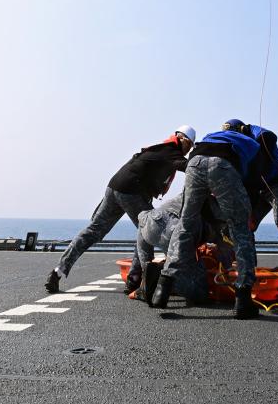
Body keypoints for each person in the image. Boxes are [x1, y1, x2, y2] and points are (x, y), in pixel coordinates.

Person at [45, 125, 196, 294]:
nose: (189, 150)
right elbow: (192, 167)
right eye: (190, 146)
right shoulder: (171, 151)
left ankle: (58, 271)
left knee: (94, 230)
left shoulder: (159, 149)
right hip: (132, 191)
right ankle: (136, 280)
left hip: (115, 186)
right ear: (182, 139)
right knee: (148, 228)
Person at [151, 126, 263, 319]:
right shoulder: (251, 143)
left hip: (194, 163)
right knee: (240, 229)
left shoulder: (213, 135)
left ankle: (163, 287)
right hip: (222, 165)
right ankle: (243, 298)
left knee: (186, 224)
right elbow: (249, 180)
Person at [221, 119, 278, 300]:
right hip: (258, 189)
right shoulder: (235, 147)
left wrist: (254, 145)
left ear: (242, 130)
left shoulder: (254, 132)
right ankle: (249, 278)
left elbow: (270, 137)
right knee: (247, 224)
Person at [132, 194, 230, 304]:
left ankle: (149, 275)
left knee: (144, 221)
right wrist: (229, 266)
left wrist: (145, 263)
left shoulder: (190, 189)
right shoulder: (223, 210)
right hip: (177, 232)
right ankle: (162, 277)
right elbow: (225, 246)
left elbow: (142, 219)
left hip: (151, 221)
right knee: (200, 292)